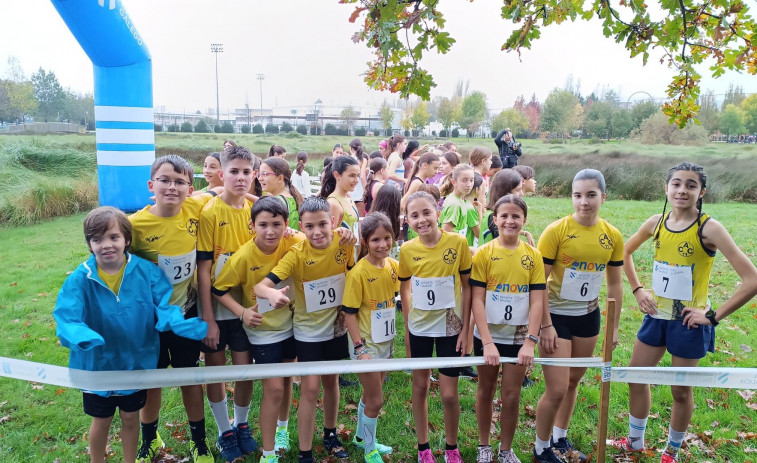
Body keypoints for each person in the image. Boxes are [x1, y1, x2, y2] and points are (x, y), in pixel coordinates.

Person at [611, 162, 757, 463]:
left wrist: (713, 316)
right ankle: (635, 442)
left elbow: (752, 279)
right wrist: (638, 289)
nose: (682, 190)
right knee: (636, 379)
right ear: (666, 188)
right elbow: (623, 252)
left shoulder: (709, 228)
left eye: (691, 185)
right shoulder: (655, 223)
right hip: (656, 317)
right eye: (676, 183)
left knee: (680, 390)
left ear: (701, 191)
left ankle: (671, 452)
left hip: (689, 323)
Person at [54, 207, 207, 463]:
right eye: (97, 239)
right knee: (101, 420)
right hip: (97, 364)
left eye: (113, 237)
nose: (106, 245)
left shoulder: (147, 271)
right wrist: (80, 335)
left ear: (126, 239)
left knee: (129, 417)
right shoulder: (80, 278)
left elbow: (163, 303)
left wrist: (175, 323)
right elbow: (67, 316)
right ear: (89, 244)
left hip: (136, 361)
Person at [129, 155, 218, 462]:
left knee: (189, 377)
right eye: (165, 180)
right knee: (151, 381)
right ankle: (150, 440)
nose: (172, 187)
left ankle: (199, 442)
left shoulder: (195, 207)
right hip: (149, 321)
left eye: (180, 182)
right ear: (151, 185)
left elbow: (227, 192)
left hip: (185, 313)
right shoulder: (134, 226)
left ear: (190, 189)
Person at [254, 197, 356, 463]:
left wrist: (350, 234)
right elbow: (260, 287)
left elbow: (356, 270)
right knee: (310, 389)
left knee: (332, 383)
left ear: (333, 222)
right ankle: (305, 451)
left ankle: (331, 434)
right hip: (308, 331)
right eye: (310, 227)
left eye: (323, 224)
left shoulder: (344, 243)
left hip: (336, 327)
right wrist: (271, 295)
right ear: (302, 226)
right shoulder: (297, 254)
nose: (317, 232)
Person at [533, 169, 624, 463]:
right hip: (556, 317)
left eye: (590, 195)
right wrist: (545, 324)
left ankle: (560, 436)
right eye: (577, 195)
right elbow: (538, 284)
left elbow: (614, 285)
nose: (583, 202)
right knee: (556, 387)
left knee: (573, 382)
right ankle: (540, 446)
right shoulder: (556, 231)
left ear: (603, 197)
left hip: (589, 317)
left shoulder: (612, 236)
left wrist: (614, 327)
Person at [212, 197, 306, 463]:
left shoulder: (294, 241)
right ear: (251, 225)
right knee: (274, 388)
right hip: (263, 331)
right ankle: (268, 454)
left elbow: (318, 236)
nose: (270, 231)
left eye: (277, 224)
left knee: (286, 382)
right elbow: (218, 290)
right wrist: (242, 312)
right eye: (263, 224)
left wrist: (342, 232)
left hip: (292, 325)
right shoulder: (242, 257)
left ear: (286, 224)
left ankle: (282, 430)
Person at [471, 195, 546, 463]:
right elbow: (477, 300)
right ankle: (483, 446)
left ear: (524, 220)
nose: (510, 221)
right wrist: (488, 341)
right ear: (495, 219)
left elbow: (537, 300)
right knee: (486, 389)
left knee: (512, 393)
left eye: (516, 216)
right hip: (488, 336)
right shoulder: (484, 253)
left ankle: (505, 449)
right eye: (504, 216)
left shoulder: (533, 256)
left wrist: (530, 341)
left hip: (518, 337)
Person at [399, 191, 472, 463]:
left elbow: (467, 286)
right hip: (419, 328)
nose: (421, 220)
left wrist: (466, 329)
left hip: (450, 329)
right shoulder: (407, 250)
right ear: (407, 220)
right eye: (414, 215)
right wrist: (407, 328)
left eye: (426, 213)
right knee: (419, 388)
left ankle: (452, 448)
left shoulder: (458, 242)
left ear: (437, 213)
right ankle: (423, 448)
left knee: (449, 393)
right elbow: (404, 289)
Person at [197, 146, 258, 462]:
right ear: (222, 173)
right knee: (216, 369)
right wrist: (208, 318)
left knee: (244, 370)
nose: (240, 177)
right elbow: (204, 270)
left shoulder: (254, 212)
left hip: (247, 307)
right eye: (234, 171)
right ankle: (224, 430)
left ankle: (242, 423)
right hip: (217, 310)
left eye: (247, 172)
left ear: (254, 175)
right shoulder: (210, 213)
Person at [343, 212, 400, 463]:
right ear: (365, 241)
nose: (383, 245)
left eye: (387, 238)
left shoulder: (393, 266)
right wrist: (360, 348)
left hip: (385, 342)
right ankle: (369, 448)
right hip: (365, 345)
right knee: (376, 401)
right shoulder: (358, 273)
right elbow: (349, 314)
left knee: (369, 395)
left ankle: (360, 438)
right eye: (376, 239)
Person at [481, 169, 530, 246]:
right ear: (506, 193)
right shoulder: (494, 217)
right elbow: (506, 246)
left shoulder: (490, 213)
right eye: (518, 190)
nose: (522, 193)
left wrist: (525, 233)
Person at [321, 155, 361, 245]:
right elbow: (329, 239)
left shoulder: (349, 198)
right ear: (337, 175)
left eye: (358, 175)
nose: (357, 180)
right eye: (352, 175)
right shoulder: (333, 203)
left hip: (352, 255)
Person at [259, 157, 304, 230]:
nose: (260, 178)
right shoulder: (292, 196)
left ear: (280, 178)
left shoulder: (277, 202)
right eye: (259, 174)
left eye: (265, 174)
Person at [439, 164, 476, 238]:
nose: (469, 184)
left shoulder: (460, 200)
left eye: (471, 180)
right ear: (454, 182)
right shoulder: (454, 204)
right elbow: (446, 235)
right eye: (464, 180)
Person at [349, 138, 369, 216]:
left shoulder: (347, 159)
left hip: (349, 194)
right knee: (360, 221)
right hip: (360, 194)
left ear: (351, 148)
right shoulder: (363, 160)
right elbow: (362, 177)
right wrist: (366, 191)